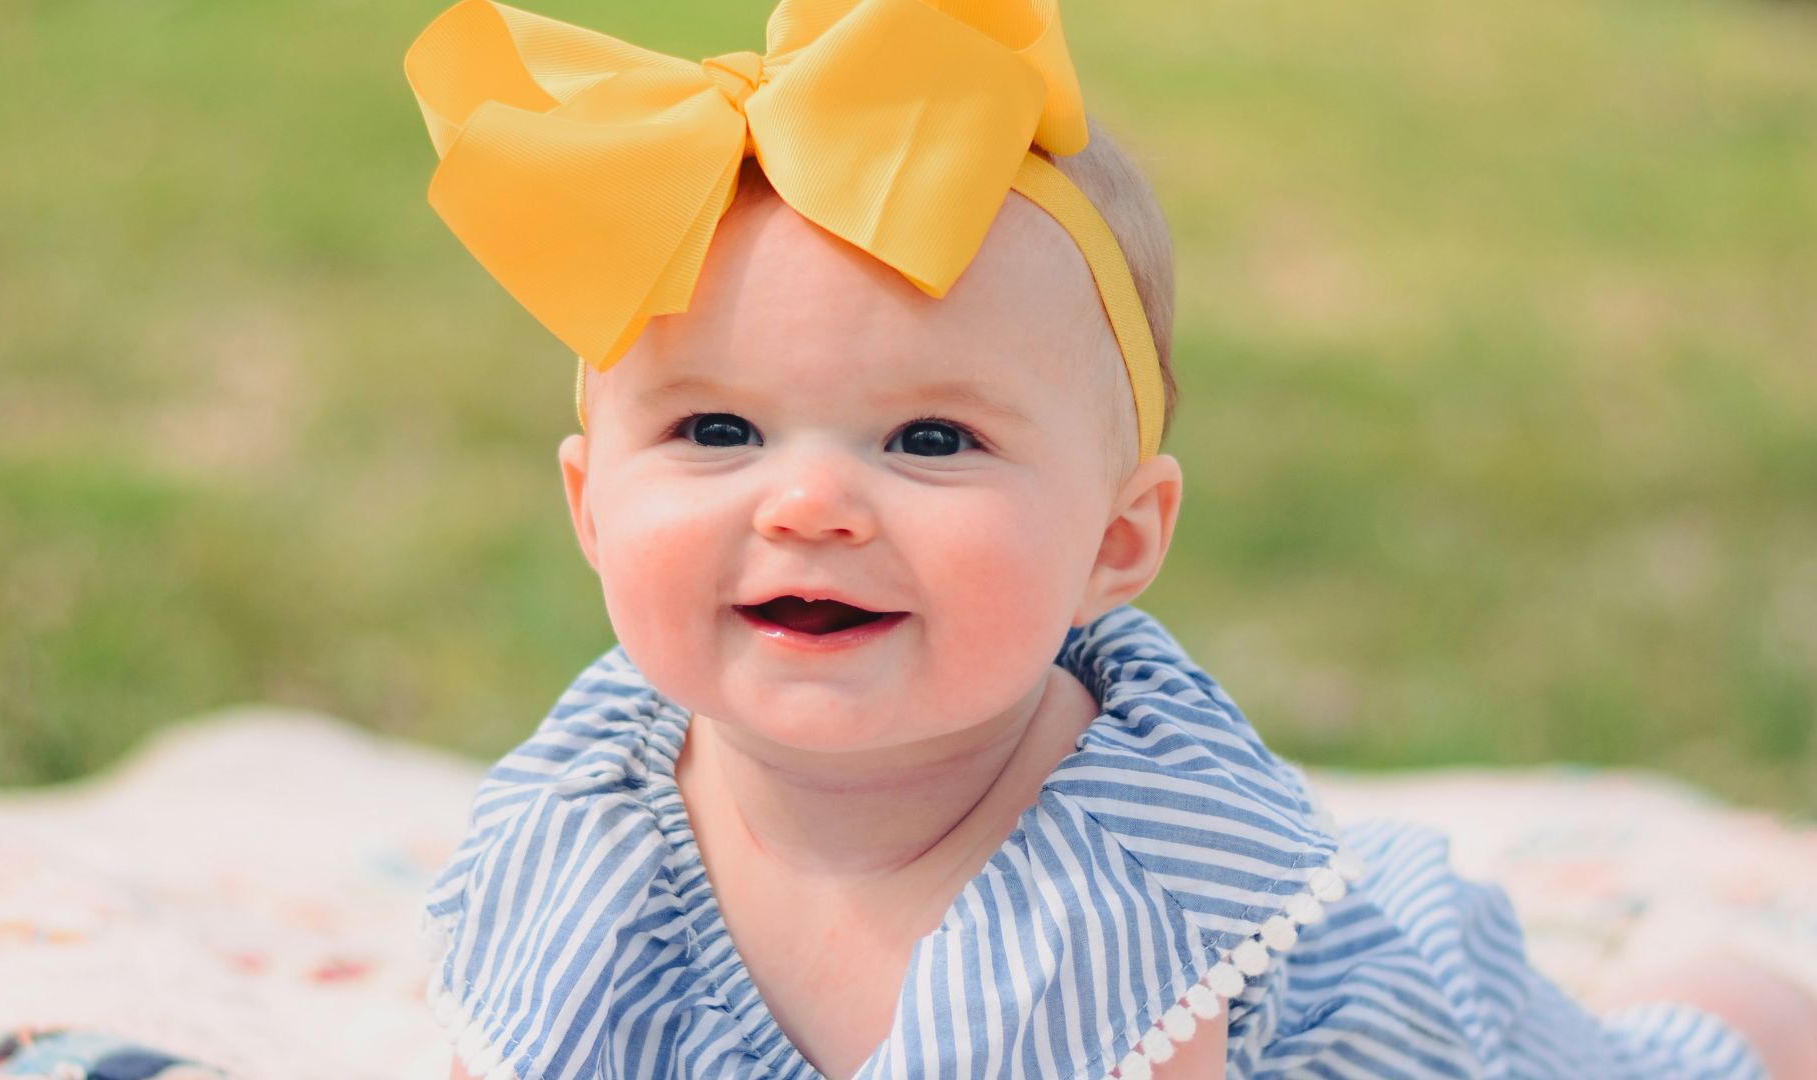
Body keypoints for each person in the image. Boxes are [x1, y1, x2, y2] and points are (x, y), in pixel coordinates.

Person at [402, 0, 1813, 1076]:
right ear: (590, 507)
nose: (806, 504)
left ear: (1117, 544)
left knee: (1679, 1051)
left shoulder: (1125, 885)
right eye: (715, 432)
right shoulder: (576, 821)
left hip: (1420, 1033)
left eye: (931, 440)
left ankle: (1722, 995)